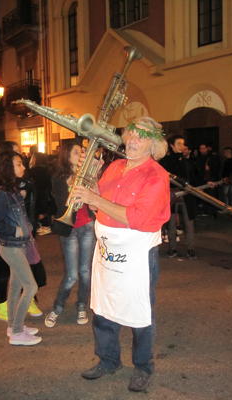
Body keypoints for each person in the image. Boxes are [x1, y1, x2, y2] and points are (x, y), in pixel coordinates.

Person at [73, 117, 170, 392]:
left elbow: (138, 217)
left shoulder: (156, 176)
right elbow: (98, 206)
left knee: (139, 310)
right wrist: (86, 187)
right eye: (129, 136)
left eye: (139, 138)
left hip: (138, 253)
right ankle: (108, 359)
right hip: (107, 249)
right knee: (103, 306)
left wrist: (96, 200)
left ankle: (143, 366)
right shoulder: (115, 166)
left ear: (153, 145)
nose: (131, 142)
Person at [0, 151, 42, 346]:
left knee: (16, 287)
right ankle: (17, 332)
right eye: (19, 164)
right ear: (8, 168)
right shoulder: (2, 193)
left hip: (17, 246)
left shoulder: (11, 191)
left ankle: (13, 326)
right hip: (11, 247)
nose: (23, 167)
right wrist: (16, 230)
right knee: (31, 286)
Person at [44, 139, 95, 328]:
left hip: (88, 226)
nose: (81, 155)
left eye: (82, 152)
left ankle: (82, 305)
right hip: (70, 229)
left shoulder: (88, 173)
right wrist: (71, 186)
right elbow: (61, 206)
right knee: (72, 274)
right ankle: (57, 307)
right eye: (76, 152)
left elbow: (96, 197)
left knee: (85, 272)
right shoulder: (58, 177)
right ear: (66, 155)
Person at [160, 135, 197, 259]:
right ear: (172, 145)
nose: (182, 146)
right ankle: (172, 248)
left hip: (187, 195)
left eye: (183, 144)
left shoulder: (187, 161)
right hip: (171, 195)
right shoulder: (166, 161)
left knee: (189, 222)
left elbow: (193, 177)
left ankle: (191, 249)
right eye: (179, 144)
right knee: (171, 223)